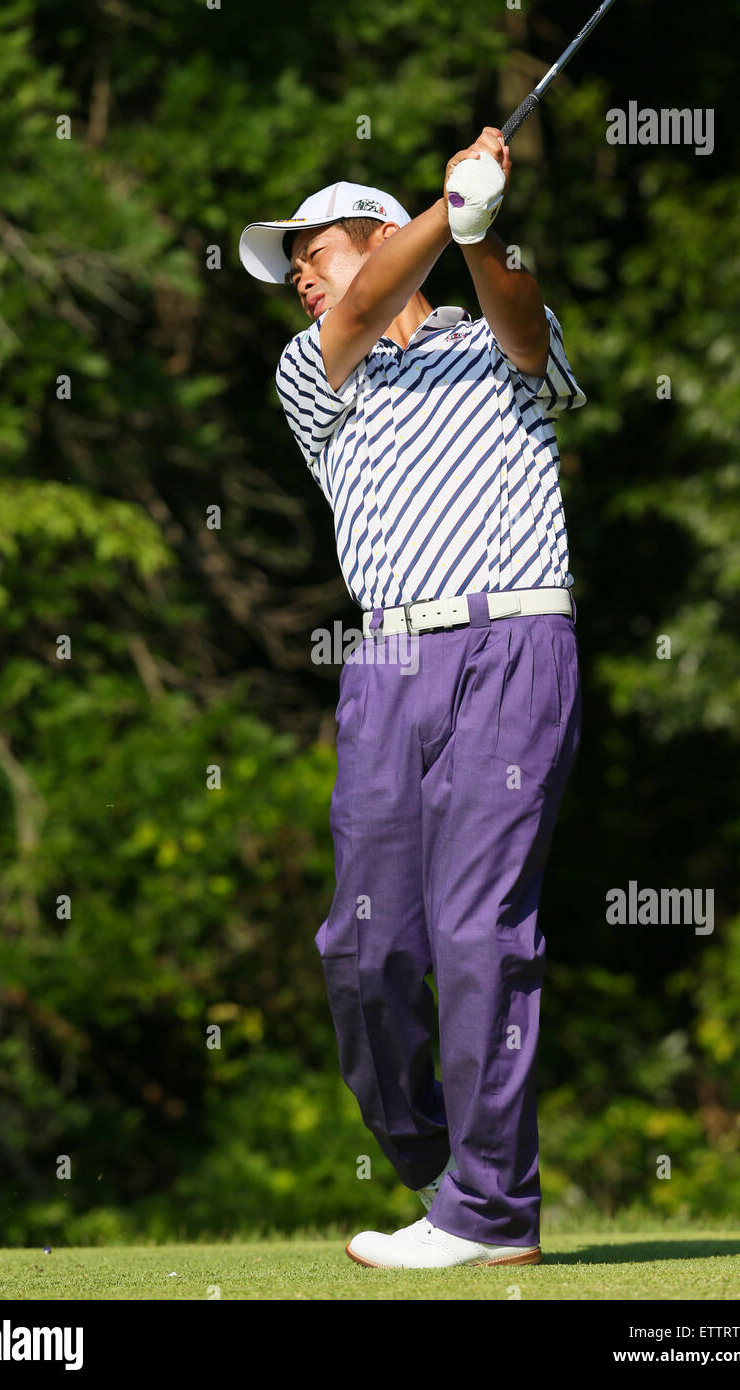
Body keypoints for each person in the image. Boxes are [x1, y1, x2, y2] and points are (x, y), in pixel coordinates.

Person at [238, 126, 585, 1268]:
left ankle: (489, 1212)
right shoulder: (313, 369)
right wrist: (450, 209)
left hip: (513, 643)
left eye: (313, 251)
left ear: (377, 237)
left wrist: (476, 231)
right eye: (290, 264)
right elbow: (354, 312)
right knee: (363, 947)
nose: (299, 275)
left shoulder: (492, 338)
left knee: (481, 927)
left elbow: (526, 331)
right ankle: (446, 1169)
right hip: (385, 668)